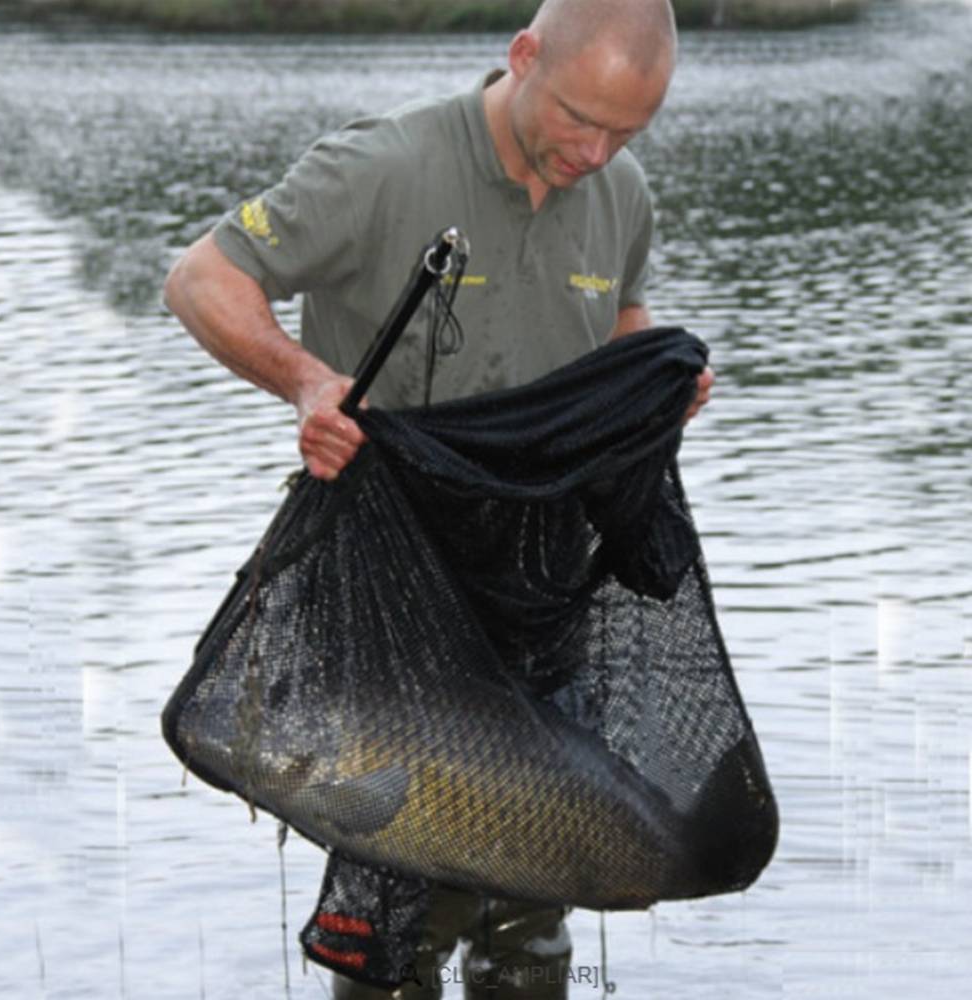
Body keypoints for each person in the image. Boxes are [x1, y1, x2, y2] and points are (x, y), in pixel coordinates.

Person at [165, 1, 713, 996]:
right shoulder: (386, 166)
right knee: (391, 920)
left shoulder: (620, 191)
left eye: (626, 132)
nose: (596, 152)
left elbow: (620, 312)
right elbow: (203, 275)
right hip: (385, 593)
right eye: (580, 120)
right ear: (523, 58)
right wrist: (305, 382)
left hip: (537, 595)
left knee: (532, 913)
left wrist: (651, 386)